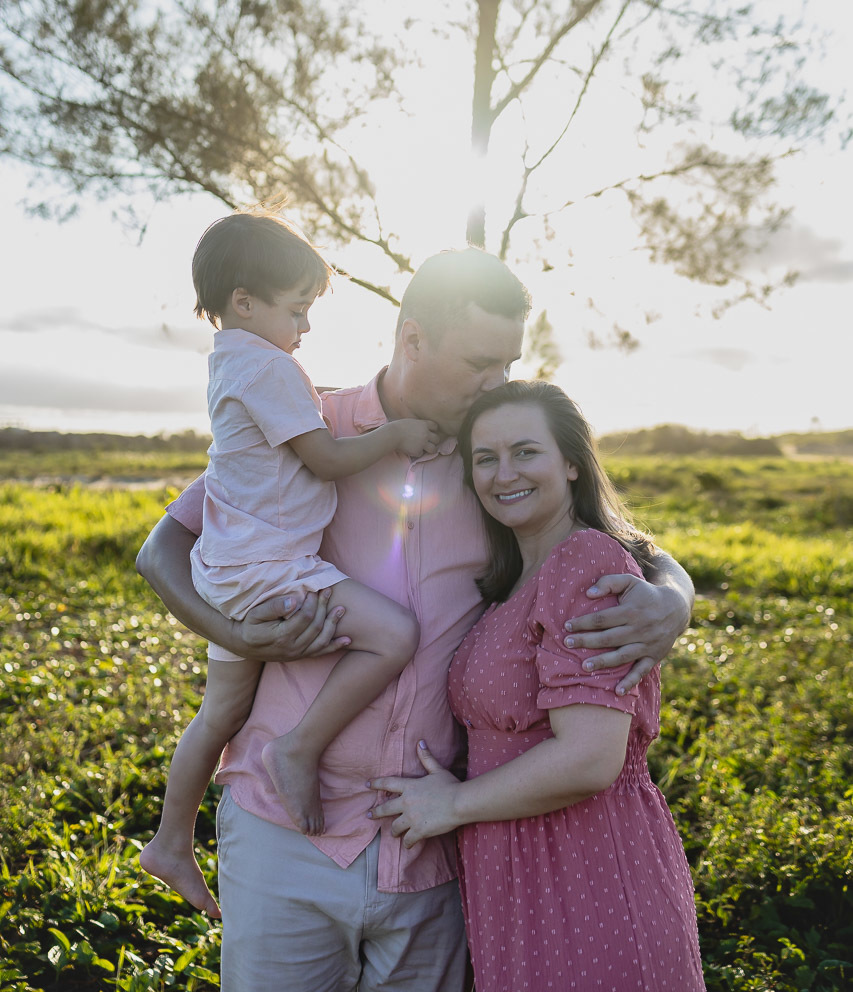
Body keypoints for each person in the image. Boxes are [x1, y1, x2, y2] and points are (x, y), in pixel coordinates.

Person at [136, 247, 695, 992]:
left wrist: (673, 596)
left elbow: (607, 541)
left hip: (431, 841)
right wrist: (233, 634)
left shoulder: (493, 466)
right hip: (286, 829)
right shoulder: (309, 427)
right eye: (479, 362)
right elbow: (162, 547)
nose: (496, 382)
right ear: (412, 340)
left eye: (508, 363)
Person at [140, 213, 437, 918]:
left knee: (219, 714)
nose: (304, 326)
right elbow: (327, 458)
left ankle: (170, 840)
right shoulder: (269, 366)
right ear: (245, 302)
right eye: (296, 308)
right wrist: (395, 433)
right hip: (272, 568)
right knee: (393, 634)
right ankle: (298, 749)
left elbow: (294, 418)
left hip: (230, 569)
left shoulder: (234, 362)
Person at [370, 380, 705, 991]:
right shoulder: (513, 581)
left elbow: (588, 758)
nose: (504, 474)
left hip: (588, 869)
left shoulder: (584, 561)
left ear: (572, 463)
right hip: (515, 875)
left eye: (526, 452)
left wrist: (451, 805)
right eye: (486, 458)